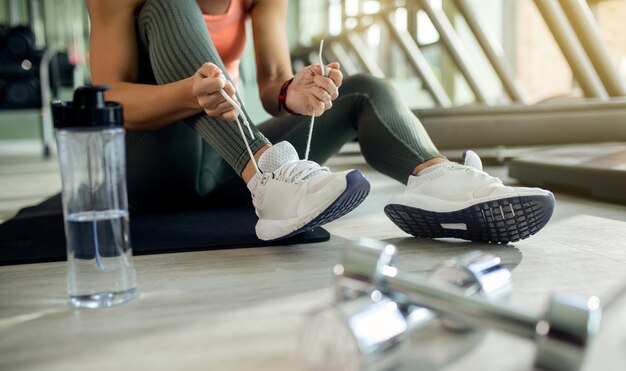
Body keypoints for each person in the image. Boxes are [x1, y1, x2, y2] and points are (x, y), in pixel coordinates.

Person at [86, 0, 555, 243]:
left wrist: (295, 91)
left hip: (226, 161)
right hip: (148, 165)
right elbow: (110, 100)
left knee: (363, 91)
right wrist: (187, 92)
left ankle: (438, 182)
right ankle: (269, 175)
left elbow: (271, 81)